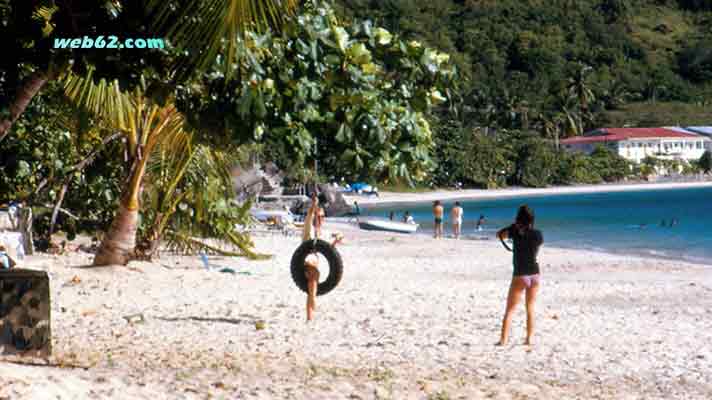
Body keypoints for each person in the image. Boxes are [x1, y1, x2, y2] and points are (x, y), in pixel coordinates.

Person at [496, 205, 543, 346]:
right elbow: (534, 250)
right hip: (535, 273)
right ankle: (529, 338)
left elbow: (499, 234)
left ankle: (503, 340)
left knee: (510, 310)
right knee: (530, 307)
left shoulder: (515, 232)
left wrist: (512, 226)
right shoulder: (538, 234)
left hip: (520, 274)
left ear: (518, 218)